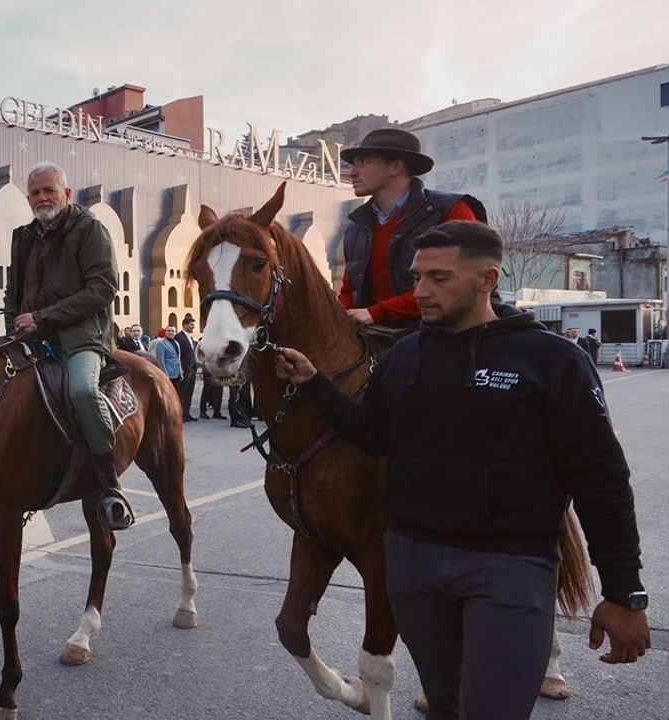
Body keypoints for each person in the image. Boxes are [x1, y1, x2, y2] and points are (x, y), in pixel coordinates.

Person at [274, 221, 649, 720]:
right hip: (414, 569)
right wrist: (316, 383)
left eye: (439, 278)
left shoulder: (551, 359)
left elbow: (600, 479)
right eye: (417, 277)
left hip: (509, 568)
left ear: (486, 279)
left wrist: (624, 592)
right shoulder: (404, 355)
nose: (421, 292)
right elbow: (372, 436)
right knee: (445, 706)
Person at [5, 161, 132, 531]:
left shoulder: (90, 229)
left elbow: (102, 290)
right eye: (35, 192)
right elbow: (13, 292)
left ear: (67, 194)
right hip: (30, 335)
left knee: (81, 390)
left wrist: (43, 318)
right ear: (28, 198)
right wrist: (14, 325)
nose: (42, 198)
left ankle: (109, 484)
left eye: (49, 190)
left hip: (82, 336)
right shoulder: (23, 236)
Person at [338, 128, 486, 328]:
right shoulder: (357, 227)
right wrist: (345, 318)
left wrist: (376, 313)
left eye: (364, 162)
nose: (352, 172)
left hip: (447, 334)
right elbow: (349, 290)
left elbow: (464, 285)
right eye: (353, 164)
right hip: (376, 335)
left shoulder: (451, 210)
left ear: (395, 166)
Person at [173, 315, 198, 421]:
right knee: (182, 393)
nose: (193, 327)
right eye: (191, 325)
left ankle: (187, 412)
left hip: (192, 368)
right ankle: (180, 414)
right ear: (185, 325)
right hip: (184, 369)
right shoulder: (179, 337)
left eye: (193, 325)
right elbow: (178, 354)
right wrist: (181, 369)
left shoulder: (190, 337)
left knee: (189, 392)